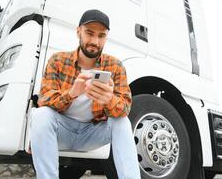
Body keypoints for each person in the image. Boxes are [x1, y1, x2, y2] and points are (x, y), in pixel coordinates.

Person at [30, 9, 141, 179]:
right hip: (63, 130)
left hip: (93, 133)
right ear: (78, 31)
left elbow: (125, 108)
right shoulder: (57, 61)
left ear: (106, 37)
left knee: (122, 121)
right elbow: (44, 100)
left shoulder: (116, 66)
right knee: (41, 114)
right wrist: (72, 93)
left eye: (101, 36)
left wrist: (109, 100)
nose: (95, 41)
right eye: (89, 33)